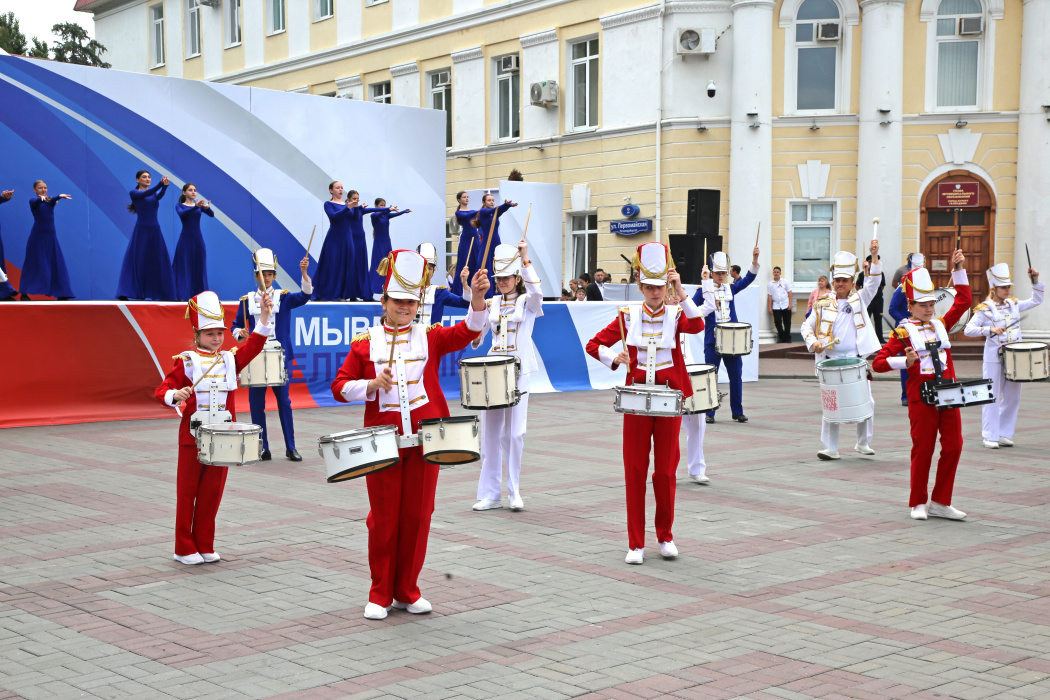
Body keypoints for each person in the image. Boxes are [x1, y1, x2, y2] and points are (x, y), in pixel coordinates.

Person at [331, 252, 490, 620]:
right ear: (384, 301)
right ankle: (380, 592)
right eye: (398, 301)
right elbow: (339, 387)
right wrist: (370, 384)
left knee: (418, 516)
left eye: (411, 302)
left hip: (425, 442)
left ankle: (407, 589)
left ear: (418, 304)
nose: (404, 307)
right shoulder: (364, 343)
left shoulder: (429, 337)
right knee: (383, 518)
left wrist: (479, 299)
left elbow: (467, 331)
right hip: (382, 442)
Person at [586, 242, 705, 564]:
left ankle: (665, 537)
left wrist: (681, 291)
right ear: (640, 287)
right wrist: (614, 357)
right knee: (635, 470)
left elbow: (698, 325)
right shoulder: (627, 317)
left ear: (667, 286)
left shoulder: (677, 315)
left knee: (665, 472)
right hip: (636, 400)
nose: (655, 292)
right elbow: (593, 344)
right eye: (650, 287)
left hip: (669, 400)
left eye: (660, 287)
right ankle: (635, 543)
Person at [155, 290, 273, 564]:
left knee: (212, 493)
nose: (217, 338)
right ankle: (183, 547)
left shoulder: (230, 360)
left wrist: (265, 316)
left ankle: (205, 544)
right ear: (197, 335)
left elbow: (254, 345)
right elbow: (162, 389)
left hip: (222, 437)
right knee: (187, 493)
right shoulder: (186, 361)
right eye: (210, 334)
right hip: (192, 436)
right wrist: (175, 394)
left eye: (220, 333)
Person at [872, 250, 970, 521]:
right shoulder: (903, 332)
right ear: (910, 305)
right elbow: (878, 364)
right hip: (922, 396)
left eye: (931, 304)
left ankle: (941, 502)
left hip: (948, 391)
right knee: (923, 448)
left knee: (954, 446)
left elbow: (963, 301)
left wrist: (958, 270)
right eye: (922, 305)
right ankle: (918, 501)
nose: (929, 309)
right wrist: (905, 361)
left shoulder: (941, 324)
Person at [472, 240, 543, 512]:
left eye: (507, 278)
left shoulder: (528, 303)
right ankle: (491, 494)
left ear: (517, 278)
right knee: (490, 434)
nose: (502, 282)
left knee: (514, 434)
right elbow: (478, 333)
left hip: (519, 371)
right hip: (493, 371)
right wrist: (475, 337)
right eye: (499, 278)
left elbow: (537, 292)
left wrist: (525, 259)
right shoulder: (492, 303)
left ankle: (514, 491)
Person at [800, 242, 882, 460]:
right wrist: (813, 343)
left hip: (856, 361)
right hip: (830, 361)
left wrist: (874, 257)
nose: (840, 284)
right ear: (833, 282)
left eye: (845, 280)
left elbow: (874, 282)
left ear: (852, 282)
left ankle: (862, 443)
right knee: (831, 405)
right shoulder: (822, 304)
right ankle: (830, 448)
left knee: (867, 402)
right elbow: (806, 327)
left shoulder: (860, 299)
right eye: (837, 280)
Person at [232, 249, 313, 461]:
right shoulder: (246, 300)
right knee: (256, 405)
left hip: (279, 357)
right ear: (256, 276)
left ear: (275, 276)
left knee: (284, 402)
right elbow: (235, 325)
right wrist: (240, 333)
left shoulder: (283, 298)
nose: (266, 278)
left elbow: (304, 296)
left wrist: (304, 274)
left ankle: (291, 447)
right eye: (262, 274)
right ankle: (263, 448)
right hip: (255, 357)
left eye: (270, 274)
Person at [964, 262, 1043, 448]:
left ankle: (1003, 433)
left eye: (1008, 286)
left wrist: (1035, 282)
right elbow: (968, 329)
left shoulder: (1014, 304)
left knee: (1013, 396)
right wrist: (989, 330)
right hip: (994, 358)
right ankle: (989, 435)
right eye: (1003, 287)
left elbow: (1036, 300)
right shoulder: (984, 309)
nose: (1007, 290)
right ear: (994, 289)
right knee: (991, 395)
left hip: (1015, 358)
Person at [694, 247, 760, 423]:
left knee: (736, 375)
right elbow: (691, 308)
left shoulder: (730, 288)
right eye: (718, 273)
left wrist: (754, 260)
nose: (721, 276)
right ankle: (709, 412)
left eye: (723, 273)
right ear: (711, 272)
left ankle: (737, 411)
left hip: (732, 340)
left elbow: (748, 279)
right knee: (711, 376)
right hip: (713, 340)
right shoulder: (703, 290)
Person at [117, 170, 175, 300]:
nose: (148, 179)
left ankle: (160, 293)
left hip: (155, 231)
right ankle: (130, 291)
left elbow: (158, 196)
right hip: (142, 231)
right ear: (138, 180)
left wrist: (165, 186)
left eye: (149, 177)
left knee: (157, 261)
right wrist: (160, 184)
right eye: (144, 177)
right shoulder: (134, 192)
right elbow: (146, 193)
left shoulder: (153, 193)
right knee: (138, 260)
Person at [21, 181, 74, 301]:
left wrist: (58, 197)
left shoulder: (50, 202)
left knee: (56, 264)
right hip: (37, 238)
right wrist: (45, 198)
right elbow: (36, 201)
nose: (43, 189)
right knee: (33, 264)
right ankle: (24, 293)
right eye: (40, 188)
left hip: (51, 239)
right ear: (35, 190)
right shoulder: (33, 201)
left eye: (45, 187)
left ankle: (62, 293)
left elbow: (51, 200)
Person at [888, 254, 926, 406]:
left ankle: (921, 392)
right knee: (906, 364)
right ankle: (906, 396)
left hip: (921, 329)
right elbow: (892, 309)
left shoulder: (925, 288)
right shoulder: (902, 288)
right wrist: (906, 322)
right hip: (906, 331)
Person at [172, 183, 213, 301]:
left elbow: (211, 215)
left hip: (198, 240)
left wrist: (207, 208)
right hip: (185, 240)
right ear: (184, 192)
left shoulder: (199, 206)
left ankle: (200, 296)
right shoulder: (179, 206)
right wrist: (196, 207)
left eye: (195, 190)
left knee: (199, 267)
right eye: (190, 190)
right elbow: (183, 214)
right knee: (184, 267)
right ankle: (182, 295)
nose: (193, 192)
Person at [416, 242, 471, 325]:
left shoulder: (439, 292)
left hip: (433, 333)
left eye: (430, 268)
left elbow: (465, 303)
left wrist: (464, 282)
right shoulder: (407, 291)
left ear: (433, 271)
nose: (427, 272)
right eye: (424, 268)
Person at [473, 194, 517, 296]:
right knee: (487, 265)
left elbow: (500, 211)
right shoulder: (483, 212)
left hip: (496, 242)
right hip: (487, 243)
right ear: (484, 202)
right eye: (489, 200)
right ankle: (487, 293)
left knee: (497, 266)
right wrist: (505, 205)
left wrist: (508, 206)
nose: (492, 202)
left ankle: (498, 292)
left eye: (493, 200)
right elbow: (496, 210)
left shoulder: (494, 214)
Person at [368, 199, 411, 297]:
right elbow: (381, 213)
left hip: (387, 242)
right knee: (377, 265)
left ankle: (386, 288)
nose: (383, 207)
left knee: (388, 265)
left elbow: (396, 214)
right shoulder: (373, 215)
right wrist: (388, 209)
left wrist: (405, 211)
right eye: (381, 205)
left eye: (384, 205)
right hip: (378, 244)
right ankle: (372, 289)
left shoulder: (386, 215)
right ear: (375, 206)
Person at [451, 191, 480, 297]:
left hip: (475, 238)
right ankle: (460, 291)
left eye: (467, 197)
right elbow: (468, 216)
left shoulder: (473, 211)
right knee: (464, 263)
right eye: (464, 197)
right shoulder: (459, 213)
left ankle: (476, 289)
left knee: (476, 262)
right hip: (466, 239)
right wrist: (480, 210)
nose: (467, 198)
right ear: (459, 200)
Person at [856, 255, 887, 344]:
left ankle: (879, 337)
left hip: (877, 299)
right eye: (871, 262)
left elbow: (882, 286)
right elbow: (857, 286)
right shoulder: (862, 274)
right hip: (867, 300)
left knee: (878, 319)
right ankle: (866, 338)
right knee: (866, 318)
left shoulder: (880, 273)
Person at [767, 266, 792, 343]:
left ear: (780, 273)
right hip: (776, 305)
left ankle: (787, 338)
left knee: (787, 322)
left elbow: (790, 293)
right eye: (775, 272)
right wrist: (769, 307)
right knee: (777, 321)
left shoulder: (785, 281)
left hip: (785, 304)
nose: (776, 273)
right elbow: (769, 296)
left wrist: (790, 304)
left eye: (777, 272)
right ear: (773, 273)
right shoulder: (770, 284)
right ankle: (781, 337)